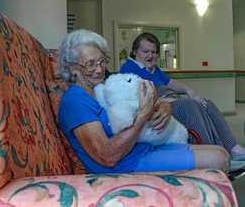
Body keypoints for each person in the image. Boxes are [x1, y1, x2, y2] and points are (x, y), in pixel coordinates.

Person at [57, 29, 229, 174]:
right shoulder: (75, 101)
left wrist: (163, 106)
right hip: (125, 165)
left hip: (140, 149)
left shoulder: (101, 89)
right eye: (90, 64)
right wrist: (143, 115)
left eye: (102, 61)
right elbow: (107, 156)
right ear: (72, 67)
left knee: (222, 152)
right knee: (219, 159)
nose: (99, 69)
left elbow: (133, 104)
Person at [120, 32, 245, 164]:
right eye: (145, 51)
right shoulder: (129, 68)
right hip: (159, 108)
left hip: (172, 100)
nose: (151, 56)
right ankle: (214, 154)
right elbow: (134, 99)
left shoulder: (153, 69)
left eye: (154, 52)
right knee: (190, 105)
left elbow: (171, 83)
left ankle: (232, 147)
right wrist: (163, 101)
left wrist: (189, 90)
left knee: (205, 103)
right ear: (135, 51)